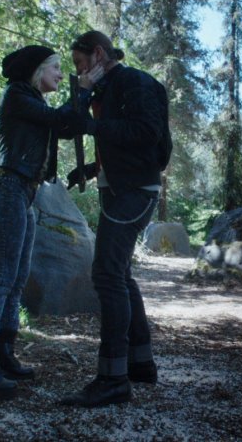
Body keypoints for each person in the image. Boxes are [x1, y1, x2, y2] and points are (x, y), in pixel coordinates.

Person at [0, 45, 94, 399]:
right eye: (55, 68)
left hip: (25, 192)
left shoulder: (36, 103)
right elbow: (58, 120)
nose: (58, 74)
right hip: (8, 189)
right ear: (38, 70)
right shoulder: (17, 96)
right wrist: (80, 89)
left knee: (17, 278)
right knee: (3, 277)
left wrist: (84, 96)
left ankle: (3, 355)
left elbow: (64, 124)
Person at [59, 30, 172, 408]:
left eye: (79, 65)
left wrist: (93, 125)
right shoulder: (105, 91)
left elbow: (145, 132)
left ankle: (112, 378)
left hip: (135, 191)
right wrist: (92, 169)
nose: (77, 72)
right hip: (121, 186)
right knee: (120, 275)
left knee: (107, 275)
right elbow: (108, 138)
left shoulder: (135, 82)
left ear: (98, 54)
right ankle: (140, 365)